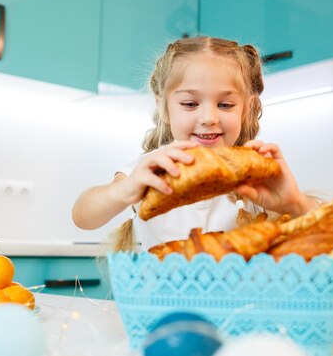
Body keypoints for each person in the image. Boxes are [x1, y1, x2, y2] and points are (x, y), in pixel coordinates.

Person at [72, 36, 319, 251]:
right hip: (163, 303)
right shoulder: (152, 168)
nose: (209, 118)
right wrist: (124, 190)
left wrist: (295, 202)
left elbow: (330, 235)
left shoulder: (254, 176)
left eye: (225, 105)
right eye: (190, 104)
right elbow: (83, 217)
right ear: (163, 108)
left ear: (247, 108)